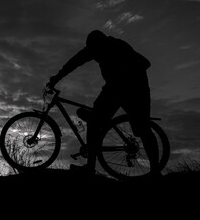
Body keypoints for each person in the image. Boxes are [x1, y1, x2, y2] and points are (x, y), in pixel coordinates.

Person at [47, 30, 159, 176]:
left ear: (101, 43)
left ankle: (155, 171)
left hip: (133, 87)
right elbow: (73, 63)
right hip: (117, 87)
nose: (96, 56)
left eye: (96, 52)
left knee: (142, 129)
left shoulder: (118, 46)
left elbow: (145, 63)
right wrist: (57, 77)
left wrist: (123, 72)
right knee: (96, 122)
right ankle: (90, 166)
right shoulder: (94, 49)